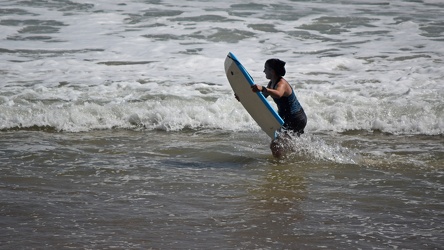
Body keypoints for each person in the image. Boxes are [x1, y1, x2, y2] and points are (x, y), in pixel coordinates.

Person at [251, 58, 307, 157]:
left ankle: (280, 167)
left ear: (272, 71)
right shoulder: (271, 83)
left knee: (276, 144)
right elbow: (260, 99)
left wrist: (263, 88)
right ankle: (299, 158)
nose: (264, 71)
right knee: (285, 144)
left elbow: (278, 94)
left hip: (295, 118)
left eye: (265, 69)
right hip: (286, 118)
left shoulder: (281, 84)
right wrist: (243, 97)